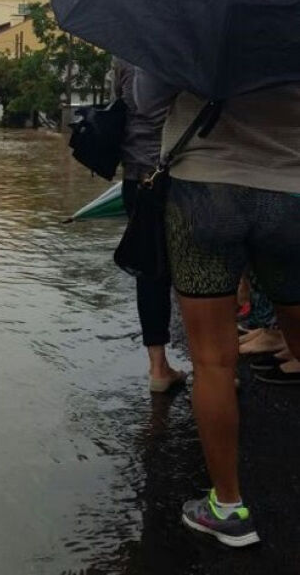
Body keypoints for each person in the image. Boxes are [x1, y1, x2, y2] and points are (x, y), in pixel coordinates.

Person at [134, 74, 300, 548]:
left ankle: (228, 508)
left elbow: (147, 101)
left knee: (212, 360)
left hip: (204, 191)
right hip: (290, 190)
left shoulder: (193, 12)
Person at [113, 59, 186, 392]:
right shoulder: (188, 45)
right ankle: (217, 368)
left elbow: (124, 102)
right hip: (185, 173)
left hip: (137, 176)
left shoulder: (124, 51)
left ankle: (158, 368)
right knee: (201, 267)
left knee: (150, 270)